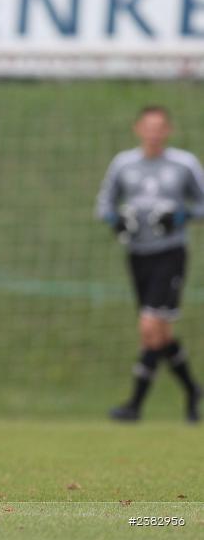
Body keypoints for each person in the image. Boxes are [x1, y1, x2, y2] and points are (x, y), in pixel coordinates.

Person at [96, 105, 204, 423]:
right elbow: (104, 203)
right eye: (149, 126)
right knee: (160, 335)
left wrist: (182, 216)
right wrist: (115, 220)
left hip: (170, 253)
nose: (154, 132)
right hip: (137, 255)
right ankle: (193, 390)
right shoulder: (123, 164)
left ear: (168, 131)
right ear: (138, 129)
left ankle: (134, 405)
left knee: (149, 327)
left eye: (160, 127)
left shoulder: (183, 164)